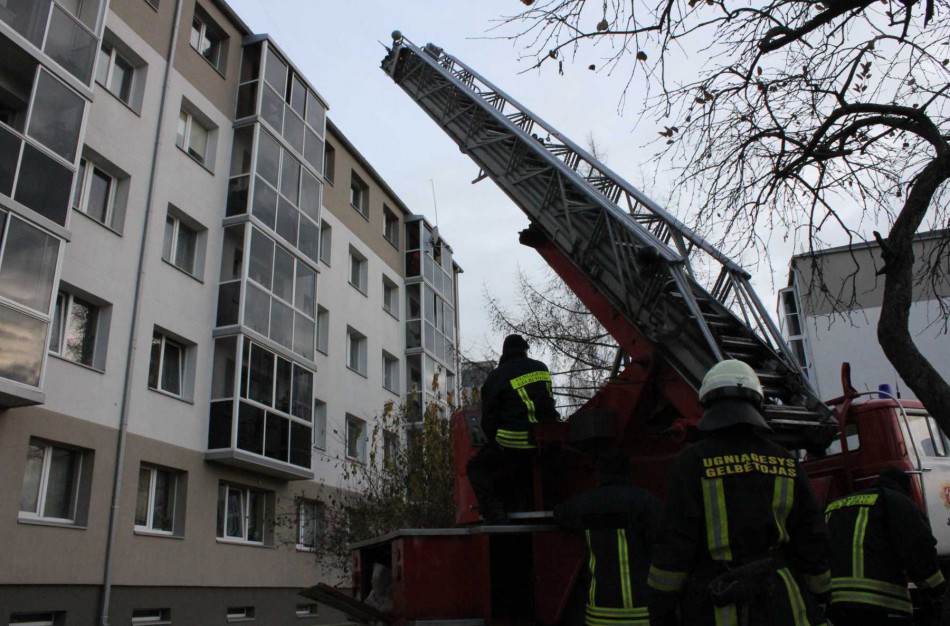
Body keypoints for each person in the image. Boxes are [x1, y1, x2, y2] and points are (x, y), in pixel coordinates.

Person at [647, 359, 832, 626]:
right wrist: (821, 595)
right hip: (783, 601)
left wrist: (661, 607)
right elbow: (811, 537)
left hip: (716, 602)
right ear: (757, 403)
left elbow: (675, 544)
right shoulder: (786, 462)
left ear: (708, 404)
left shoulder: (692, 462)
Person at [824, 466, 947, 626]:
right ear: (904, 487)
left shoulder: (835, 505)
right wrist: (937, 590)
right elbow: (918, 550)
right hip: (879, 603)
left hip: (832, 601)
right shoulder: (897, 502)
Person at [554, 448, 663, 625]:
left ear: (600, 473)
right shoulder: (644, 502)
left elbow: (559, 514)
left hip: (598, 614)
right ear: (628, 471)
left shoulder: (584, 503)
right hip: (640, 613)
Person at [466, 334, 558, 524]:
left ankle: (495, 512)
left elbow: (489, 418)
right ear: (525, 350)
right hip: (547, 441)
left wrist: (495, 440)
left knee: (476, 467)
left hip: (513, 441)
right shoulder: (541, 368)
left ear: (504, 353)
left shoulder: (497, 376)